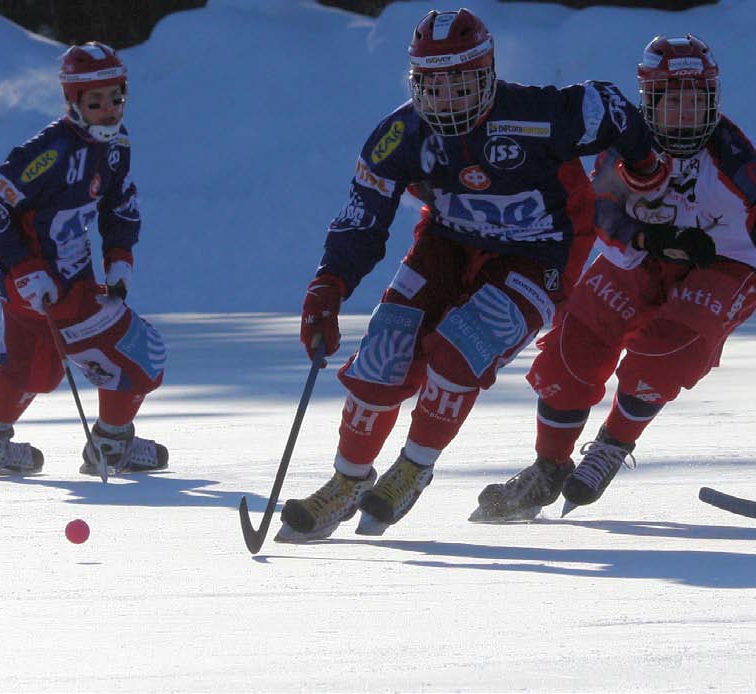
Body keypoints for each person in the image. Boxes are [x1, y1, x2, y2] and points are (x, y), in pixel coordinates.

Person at [277, 8, 670, 541]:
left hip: (541, 253)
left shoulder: (538, 114)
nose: (445, 100)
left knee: (465, 344)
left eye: (459, 83)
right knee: (384, 349)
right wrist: (327, 288)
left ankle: (414, 467)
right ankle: (346, 481)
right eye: (430, 86)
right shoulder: (399, 135)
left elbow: (612, 105)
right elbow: (361, 221)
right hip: (449, 246)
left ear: (486, 73)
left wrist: (644, 165)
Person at [472, 34, 756, 521]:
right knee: (575, 343)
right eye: (672, 101)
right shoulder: (623, 146)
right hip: (645, 255)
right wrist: (649, 241)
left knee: (668, 348)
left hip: (728, 263)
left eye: (696, 101)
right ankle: (548, 467)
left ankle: (612, 445)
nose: (685, 115)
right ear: (648, 101)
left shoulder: (735, 159)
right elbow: (603, 213)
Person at [0, 42, 168, 478]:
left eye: (116, 97)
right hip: (42, 284)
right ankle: (111, 446)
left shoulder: (115, 146)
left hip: (66, 278)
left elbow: (119, 205)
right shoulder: (49, 152)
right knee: (141, 356)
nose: (108, 110)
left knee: (35, 369)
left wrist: (119, 258)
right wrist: (24, 267)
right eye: (95, 102)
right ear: (73, 101)